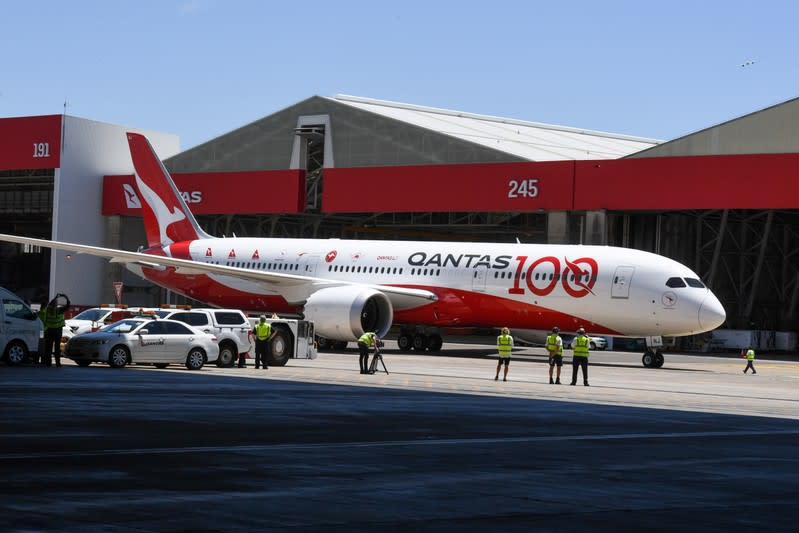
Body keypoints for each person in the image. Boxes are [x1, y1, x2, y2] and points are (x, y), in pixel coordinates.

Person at [38, 292, 70, 368]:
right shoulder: (59, 310)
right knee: (57, 348)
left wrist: (55, 297)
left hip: (49, 330)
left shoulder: (48, 310)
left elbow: (49, 304)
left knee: (48, 348)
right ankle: (58, 363)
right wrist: (65, 297)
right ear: (56, 304)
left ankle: (48, 363)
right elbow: (68, 306)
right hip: (58, 331)